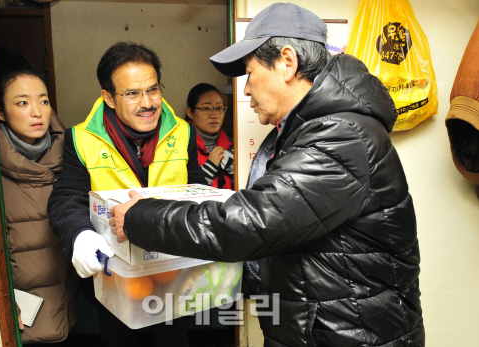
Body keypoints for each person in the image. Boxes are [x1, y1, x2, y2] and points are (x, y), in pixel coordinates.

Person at [108, 3, 425, 346]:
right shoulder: (312, 130)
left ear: (287, 63)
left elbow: (251, 223)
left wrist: (138, 218)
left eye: (249, 73)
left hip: (351, 333)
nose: (244, 90)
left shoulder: (341, 137)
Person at [47, 42, 206, 347]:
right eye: (132, 93)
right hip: (115, 280)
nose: (147, 103)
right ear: (108, 97)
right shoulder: (81, 139)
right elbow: (66, 197)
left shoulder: (184, 132)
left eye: (153, 89)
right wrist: (79, 234)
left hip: (172, 273)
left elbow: (198, 190)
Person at [0, 48, 77, 345]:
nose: (37, 112)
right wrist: (1, 301)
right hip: (21, 314)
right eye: (22, 103)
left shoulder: (71, 151)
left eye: (43, 101)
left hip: (67, 303)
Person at [186, 83, 234, 189]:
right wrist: (210, 167)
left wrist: (237, 172)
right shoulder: (180, 146)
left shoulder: (234, 146)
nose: (215, 115)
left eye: (219, 108)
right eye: (206, 109)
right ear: (190, 112)